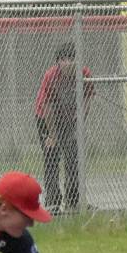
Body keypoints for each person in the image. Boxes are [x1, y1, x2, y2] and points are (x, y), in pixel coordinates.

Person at [33, 42, 95, 215]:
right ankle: (52, 203)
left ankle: (73, 202)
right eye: (64, 59)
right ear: (58, 62)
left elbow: (87, 98)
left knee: (73, 157)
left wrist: (78, 122)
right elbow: (47, 105)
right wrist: (52, 135)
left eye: (71, 59)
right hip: (46, 117)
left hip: (70, 118)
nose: (68, 63)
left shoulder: (84, 74)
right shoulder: (52, 76)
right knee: (52, 157)